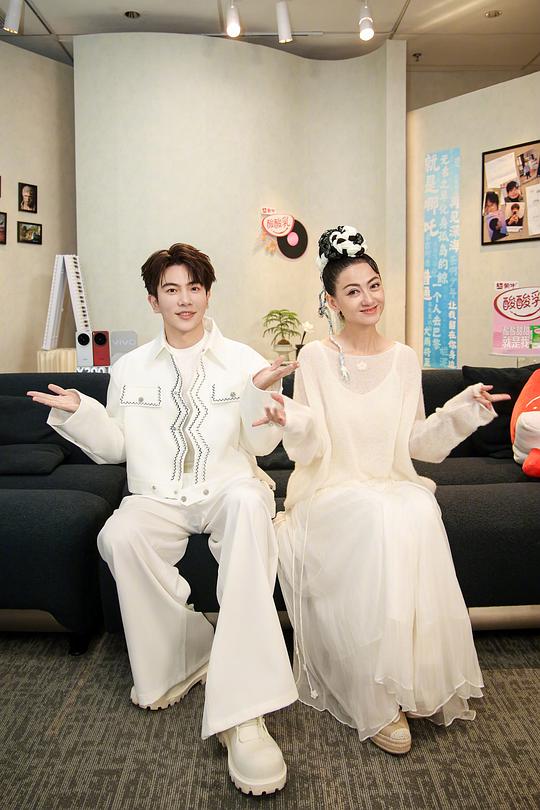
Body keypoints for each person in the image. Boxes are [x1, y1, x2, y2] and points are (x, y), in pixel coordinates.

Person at [27, 242, 298, 796]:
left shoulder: (244, 360)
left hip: (228, 486)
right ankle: (188, 647)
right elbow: (115, 448)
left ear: (207, 294)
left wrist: (261, 399)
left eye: (194, 288)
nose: (184, 299)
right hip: (159, 496)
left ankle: (245, 713)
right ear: (154, 301)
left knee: (251, 508)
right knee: (119, 535)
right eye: (171, 289)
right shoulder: (129, 368)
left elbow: (261, 446)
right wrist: (81, 412)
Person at [254, 226, 510, 755]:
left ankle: (407, 679)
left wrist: (463, 411)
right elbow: (311, 445)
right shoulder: (316, 358)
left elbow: (418, 443)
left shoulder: (405, 358)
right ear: (332, 302)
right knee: (375, 515)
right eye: (353, 291)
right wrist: (289, 418)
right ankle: (379, 696)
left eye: (373, 285)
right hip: (331, 488)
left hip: (391, 482)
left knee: (418, 506)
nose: (368, 298)